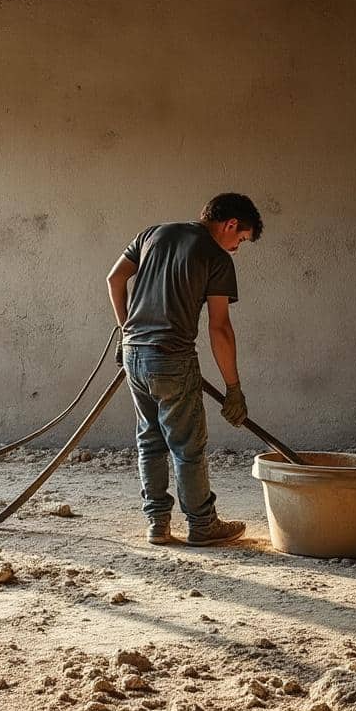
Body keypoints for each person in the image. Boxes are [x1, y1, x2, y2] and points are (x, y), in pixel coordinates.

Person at [106, 193, 263, 546]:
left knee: (149, 441)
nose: (237, 248)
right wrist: (233, 387)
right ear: (230, 225)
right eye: (239, 239)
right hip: (173, 358)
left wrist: (125, 330)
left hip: (134, 355)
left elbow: (114, 280)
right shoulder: (215, 258)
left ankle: (158, 524)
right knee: (187, 445)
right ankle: (201, 524)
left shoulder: (152, 235)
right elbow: (219, 327)